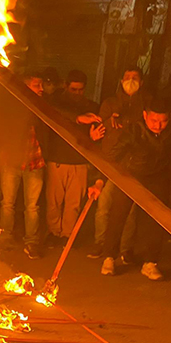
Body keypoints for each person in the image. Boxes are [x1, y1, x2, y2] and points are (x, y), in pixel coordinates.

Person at [100, 96, 171, 280]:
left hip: (158, 178)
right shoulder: (134, 131)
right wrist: (102, 177)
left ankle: (150, 262)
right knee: (118, 216)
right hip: (130, 176)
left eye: (163, 121)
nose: (158, 125)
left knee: (155, 221)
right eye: (154, 120)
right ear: (145, 116)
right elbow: (114, 155)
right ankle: (109, 258)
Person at [0, 70, 47, 259]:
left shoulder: (42, 105)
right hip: (12, 161)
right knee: (8, 203)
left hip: (35, 161)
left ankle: (32, 243)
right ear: (26, 86)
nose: (41, 89)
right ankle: (6, 238)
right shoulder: (12, 104)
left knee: (32, 206)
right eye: (37, 85)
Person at [89, 67, 145, 258]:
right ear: (121, 81)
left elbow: (145, 129)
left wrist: (126, 120)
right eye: (127, 77)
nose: (131, 81)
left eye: (135, 78)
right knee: (103, 206)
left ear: (141, 82)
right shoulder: (110, 103)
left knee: (128, 211)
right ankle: (101, 243)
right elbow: (99, 129)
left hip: (131, 164)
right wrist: (108, 122)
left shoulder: (145, 105)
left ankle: (124, 248)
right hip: (109, 161)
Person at [44, 69, 104, 245]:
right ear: (66, 86)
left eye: (80, 90)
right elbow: (56, 114)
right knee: (54, 201)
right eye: (73, 89)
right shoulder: (56, 103)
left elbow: (95, 136)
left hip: (79, 161)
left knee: (73, 203)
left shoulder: (91, 107)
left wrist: (92, 139)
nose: (77, 93)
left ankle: (67, 236)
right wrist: (78, 119)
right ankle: (53, 232)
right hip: (57, 159)